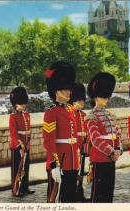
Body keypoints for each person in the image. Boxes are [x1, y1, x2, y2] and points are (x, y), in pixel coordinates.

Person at [43, 61, 79, 202]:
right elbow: (48, 142)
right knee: (55, 200)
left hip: (72, 162)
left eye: (69, 89)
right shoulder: (51, 113)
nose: (68, 92)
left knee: (70, 199)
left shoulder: (70, 110)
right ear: (56, 90)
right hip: (60, 163)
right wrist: (53, 165)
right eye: (65, 89)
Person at [85, 72, 122, 203]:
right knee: (98, 194)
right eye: (103, 96)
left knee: (108, 193)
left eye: (107, 96)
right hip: (100, 159)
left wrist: (118, 150)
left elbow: (117, 135)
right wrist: (111, 152)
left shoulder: (111, 115)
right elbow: (95, 139)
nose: (106, 99)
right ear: (95, 97)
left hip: (111, 159)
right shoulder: (92, 116)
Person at [9, 86, 35, 197]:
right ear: (16, 104)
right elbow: (14, 134)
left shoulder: (27, 115)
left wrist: (27, 144)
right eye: (21, 103)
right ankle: (16, 189)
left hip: (26, 145)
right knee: (17, 169)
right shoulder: (13, 117)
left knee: (26, 168)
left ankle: (25, 187)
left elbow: (28, 131)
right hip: (17, 147)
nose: (23, 105)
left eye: (24, 103)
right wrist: (20, 147)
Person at [68, 83, 90, 202]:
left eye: (82, 100)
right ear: (74, 100)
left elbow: (86, 132)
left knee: (81, 173)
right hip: (73, 150)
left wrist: (86, 146)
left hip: (82, 149)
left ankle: (80, 194)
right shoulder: (69, 114)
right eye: (79, 100)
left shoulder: (83, 115)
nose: (82, 102)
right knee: (73, 174)